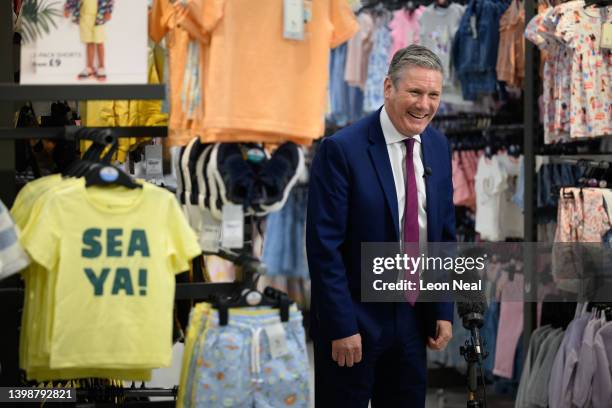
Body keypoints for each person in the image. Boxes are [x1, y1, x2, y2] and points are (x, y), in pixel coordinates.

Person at [306, 44, 455, 407]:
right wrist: (341, 326)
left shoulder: (437, 146)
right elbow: (324, 247)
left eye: (433, 94)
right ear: (388, 87)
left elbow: (445, 235)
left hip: (412, 319)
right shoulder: (341, 149)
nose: (424, 104)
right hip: (354, 319)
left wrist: (443, 310)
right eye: (415, 92)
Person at [64, 0, 114, 81]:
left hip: (99, 15)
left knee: (99, 41)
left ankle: (101, 67)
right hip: (85, 16)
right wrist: (67, 8)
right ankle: (89, 68)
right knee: (89, 42)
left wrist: (108, 11)